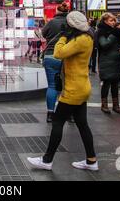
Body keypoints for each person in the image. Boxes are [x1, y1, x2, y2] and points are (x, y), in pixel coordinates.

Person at [28, 11, 98, 171]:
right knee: (82, 124)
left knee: (58, 122)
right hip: (81, 86)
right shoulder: (87, 37)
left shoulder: (81, 40)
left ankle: (47, 160)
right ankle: (91, 160)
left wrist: (63, 37)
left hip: (73, 90)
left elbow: (58, 53)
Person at [41, 2, 69, 123]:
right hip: (65, 56)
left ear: (56, 11)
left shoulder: (51, 22)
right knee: (67, 86)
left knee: (52, 86)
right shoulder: (70, 23)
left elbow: (43, 34)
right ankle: (69, 114)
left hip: (50, 56)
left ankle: (50, 114)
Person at [95, 13, 120, 114]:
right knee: (106, 83)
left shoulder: (118, 32)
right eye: (111, 20)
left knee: (115, 84)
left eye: (114, 20)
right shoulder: (100, 32)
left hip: (117, 60)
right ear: (105, 21)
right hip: (106, 61)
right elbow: (104, 44)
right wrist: (114, 35)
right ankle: (104, 105)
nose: (113, 22)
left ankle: (116, 105)